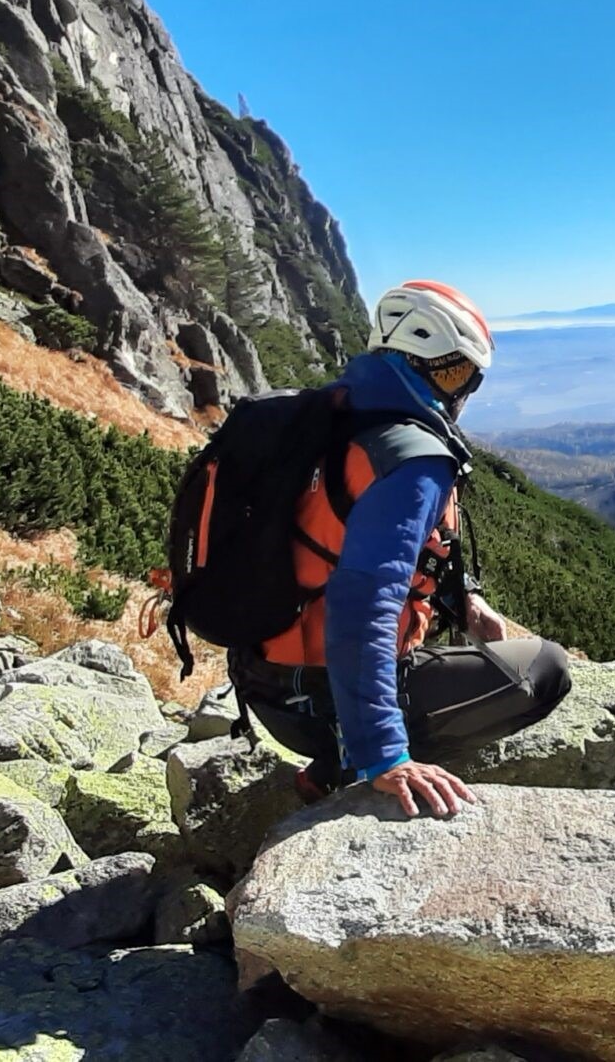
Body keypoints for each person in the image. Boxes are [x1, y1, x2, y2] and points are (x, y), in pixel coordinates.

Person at [230, 280, 572, 818]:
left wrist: (467, 600)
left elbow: (338, 536)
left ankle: (333, 762)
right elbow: (362, 600)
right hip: (319, 704)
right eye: (458, 374)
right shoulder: (412, 458)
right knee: (546, 668)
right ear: (433, 371)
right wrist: (384, 754)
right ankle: (346, 764)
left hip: (263, 680)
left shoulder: (334, 414)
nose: (461, 393)